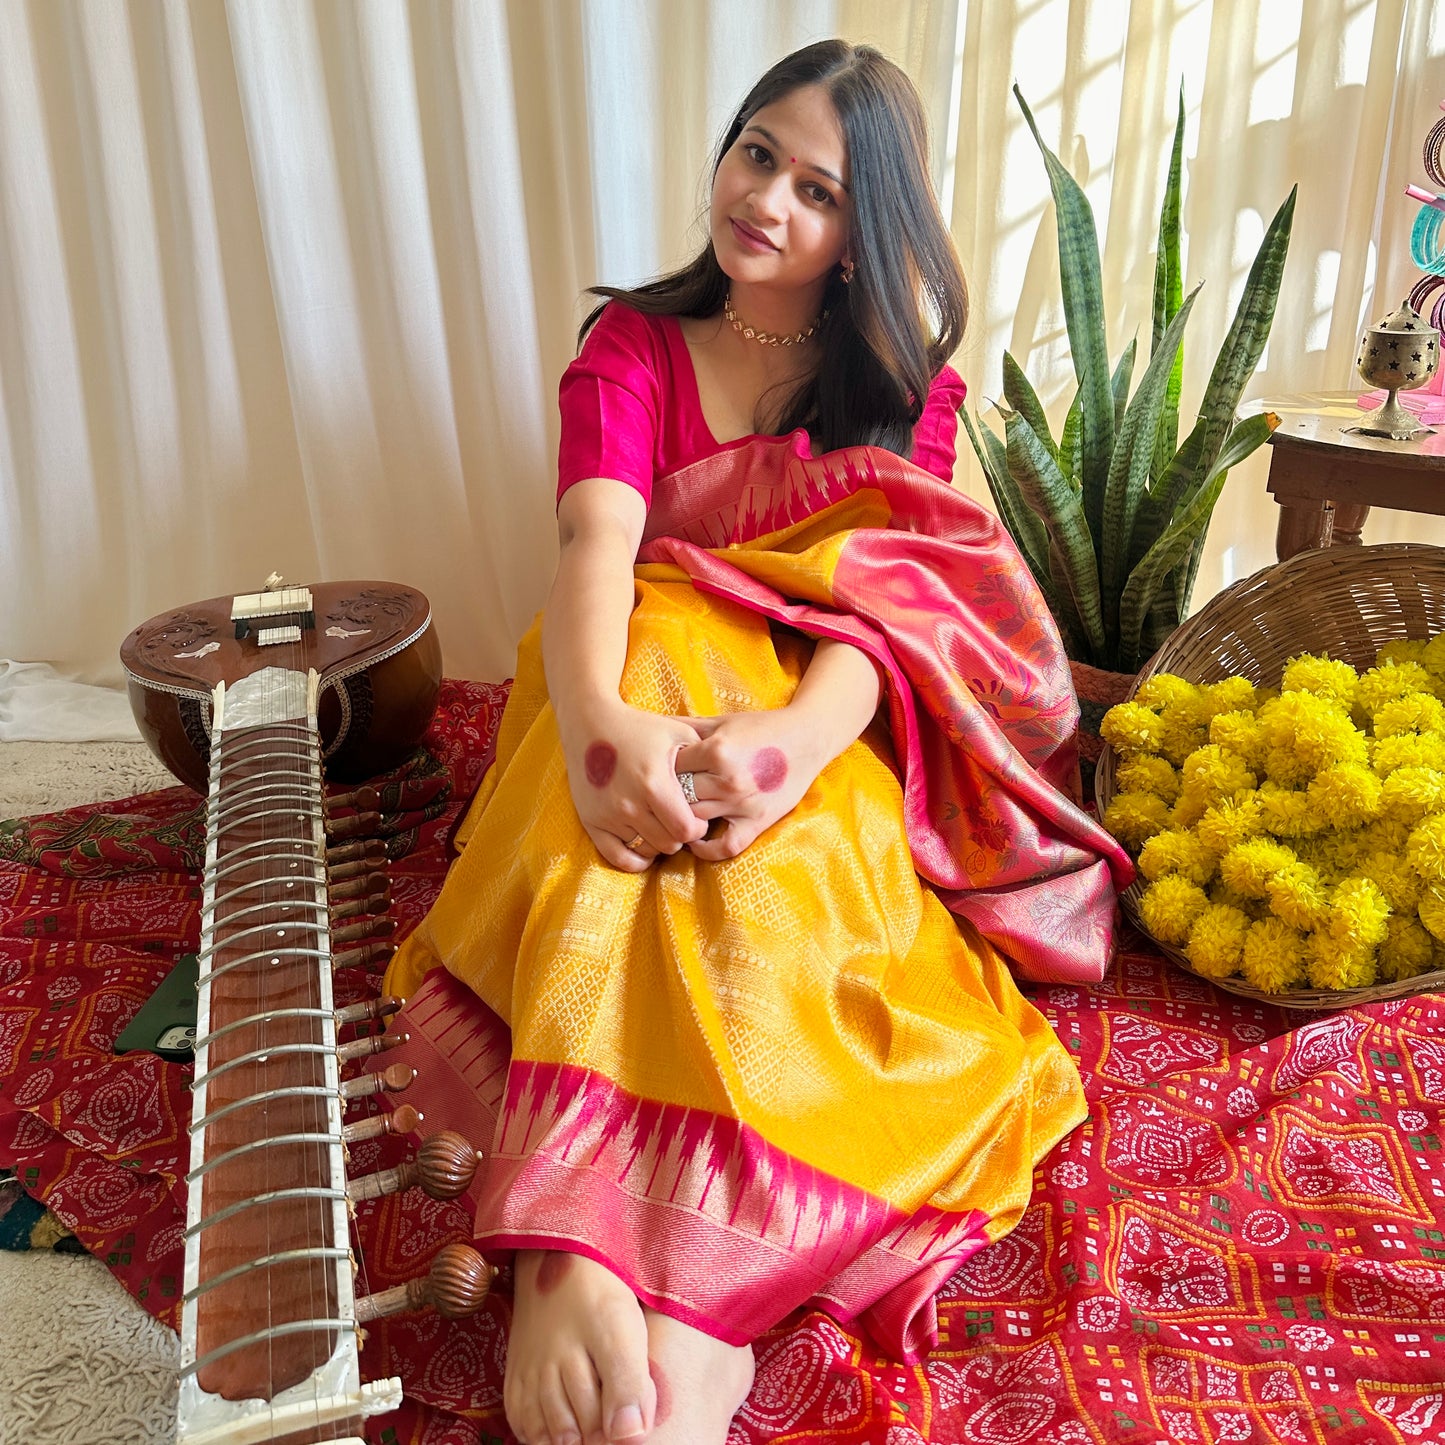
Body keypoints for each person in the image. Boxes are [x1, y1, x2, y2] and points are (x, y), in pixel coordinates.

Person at [382, 38, 1131, 1445]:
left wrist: (788, 744)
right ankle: (568, 1249)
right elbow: (597, 545)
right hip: (624, 672)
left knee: (773, 902)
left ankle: (681, 1298)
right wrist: (601, 728)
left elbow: (893, 613)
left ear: (863, 237)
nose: (768, 200)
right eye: (755, 154)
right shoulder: (632, 348)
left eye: (818, 190)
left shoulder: (902, 390)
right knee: (596, 851)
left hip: (806, 709)